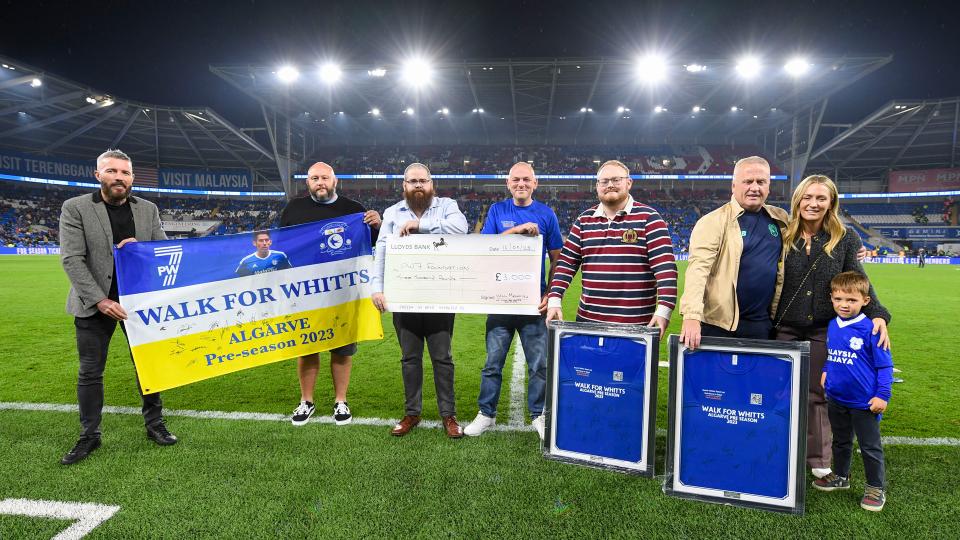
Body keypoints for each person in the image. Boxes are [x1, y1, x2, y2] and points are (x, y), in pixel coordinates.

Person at [58, 149, 177, 465]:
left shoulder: (147, 210)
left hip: (138, 304)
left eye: (125, 173)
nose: (119, 178)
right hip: (93, 304)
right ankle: (89, 436)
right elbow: (72, 258)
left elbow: (162, 251)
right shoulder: (76, 208)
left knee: (148, 367)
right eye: (112, 171)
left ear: (132, 178)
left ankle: (155, 425)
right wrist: (100, 299)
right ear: (98, 175)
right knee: (90, 372)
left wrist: (143, 249)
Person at [774, 174, 890, 479]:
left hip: (825, 329)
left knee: (818, 393)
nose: (813, 204)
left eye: (821, 198)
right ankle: (780, 450)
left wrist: (878, 314)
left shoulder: (847, 238)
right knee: (780, 392)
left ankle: (819, 459)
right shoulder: (782, 233)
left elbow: (858, 278)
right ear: (797, 200)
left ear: (831, 203)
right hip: (784, 326)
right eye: (808, 197)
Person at [463, 162, 563, 440]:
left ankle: (539, 414)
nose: (521, 184)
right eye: (516, 179)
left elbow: (557, 257)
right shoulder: (497, 211)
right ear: (508, 183)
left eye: (526, 179)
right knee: (493, 361)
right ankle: (486, 413)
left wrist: (550, 293)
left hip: (533, 302)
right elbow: (485, 247)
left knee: (539, 364)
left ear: (535, 183)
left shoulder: (546, 214)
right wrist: (517, 231)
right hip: (500, 300)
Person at [279, 161, 381, 426]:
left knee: (342, 349)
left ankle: (340, 401)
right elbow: (282, 248)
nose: (320, 182)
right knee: (307, 349)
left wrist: (377, 225)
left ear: (335, 181)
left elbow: (372, 246)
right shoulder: (293, 209)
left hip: (342, 293)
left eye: (325, 177)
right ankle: (307, 401)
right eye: (315, 178)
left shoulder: (354, 210)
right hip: (305, 293)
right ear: (308, 182)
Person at [371, 163, 469, 438]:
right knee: (409, 358)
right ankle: (412, 413)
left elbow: (461, 230)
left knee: (443, 358)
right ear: (404, 186)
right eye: (412, 181)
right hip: (404, 298)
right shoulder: (392, 213)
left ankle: (448, 415)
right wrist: (377, 289)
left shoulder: (447, 206)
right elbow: (381, 253)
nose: (417, 185)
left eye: (422, 181)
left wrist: (421, 225)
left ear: (431, 184)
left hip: (439, 297)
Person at [545, 160, 677, 336]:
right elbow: (566, 264)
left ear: (629, 183)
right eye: (604, 181)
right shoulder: (584, 220)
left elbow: (666, 270)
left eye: (616, 180)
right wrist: (554, 299)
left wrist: (664, 311)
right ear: (597, 186)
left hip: (636, 328)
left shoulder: (650, 219)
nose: (610, 185)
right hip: (588, 325)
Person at [679, 156, 789, 348]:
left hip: (762, 325)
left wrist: (853, 247)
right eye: (748, 181)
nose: (754, 187)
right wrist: (691, 316)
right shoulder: (713, 221)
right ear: (734, 186)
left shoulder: (780, 219)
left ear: (769, 187)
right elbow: (698, 270)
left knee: (756, 378)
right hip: (720, 325)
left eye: (761, 182)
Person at [813, 271, 892, 512]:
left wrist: (882, 395)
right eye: (838, 299)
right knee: (841, 441)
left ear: (865, 301)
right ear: (831, 299)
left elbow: (885, 365)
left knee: (870, 447)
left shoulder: (872, 328)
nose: (844, 305)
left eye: (851, 300)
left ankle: (876, 487)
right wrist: (826, 369)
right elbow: (832, 353)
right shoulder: (832, 325)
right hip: (837, 398)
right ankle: (841, 476)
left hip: (864, 402)